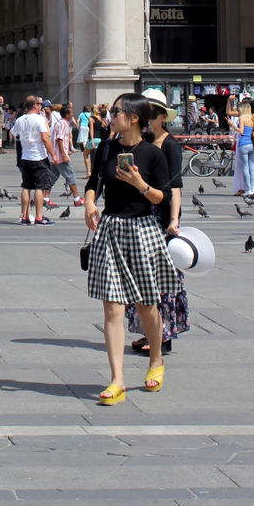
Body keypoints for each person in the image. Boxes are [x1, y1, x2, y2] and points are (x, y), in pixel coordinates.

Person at [84, 94, 179, 404]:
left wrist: (140, 184)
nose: (111, 116)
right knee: (112, 307)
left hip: (141, 230)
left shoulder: (152, 154)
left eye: (117, 112)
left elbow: (161, 198)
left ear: (135, 118)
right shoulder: (107, 147)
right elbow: (94, 181)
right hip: (110, 229)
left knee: (146, 304)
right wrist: (88, 201)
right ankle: (117, 380)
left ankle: (155, 362)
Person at [125, 89, 188, 357]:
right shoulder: (141, 142)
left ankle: (163, 336)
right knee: (142, 277)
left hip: (161, 218)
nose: (145, 118)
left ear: (162, 117)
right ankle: (148, 331)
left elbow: (175, 186)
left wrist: (173, 221)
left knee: (161, 280)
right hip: (141, 215)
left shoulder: (170, 145)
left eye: (151, 114)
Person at [11, 96, 57, 225]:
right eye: (40, 104)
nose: (41, 106)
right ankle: (39, 217)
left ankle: (24, 216)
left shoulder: (20, 120)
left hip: (25, 157)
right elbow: (45, 138)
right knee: (40, 187)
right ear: (35, 106)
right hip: (38, 157)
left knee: (26, 186)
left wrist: (24, 140)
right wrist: (53, 155)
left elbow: (12, 134)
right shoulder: (39, 119)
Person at [51, 104, 84, 205]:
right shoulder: (63, 124)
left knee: (52, 177)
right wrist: (64, 154)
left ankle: (45, 198)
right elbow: (60, 139)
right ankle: (76, 199)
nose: (73, 115)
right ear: (66, 115)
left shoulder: (61, 123)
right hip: (60, 157)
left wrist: (67, 150)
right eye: (71, 114)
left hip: (56, 156)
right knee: (70, 176)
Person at [230, 98, 254, 196]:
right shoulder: (253, 117)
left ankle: (247, 189)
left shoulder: (242, 117)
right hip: (252, 144)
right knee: (252, 168)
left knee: (245, 167)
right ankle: (253, 189)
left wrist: (232, 125)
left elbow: (241, 131)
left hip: (243, 144)